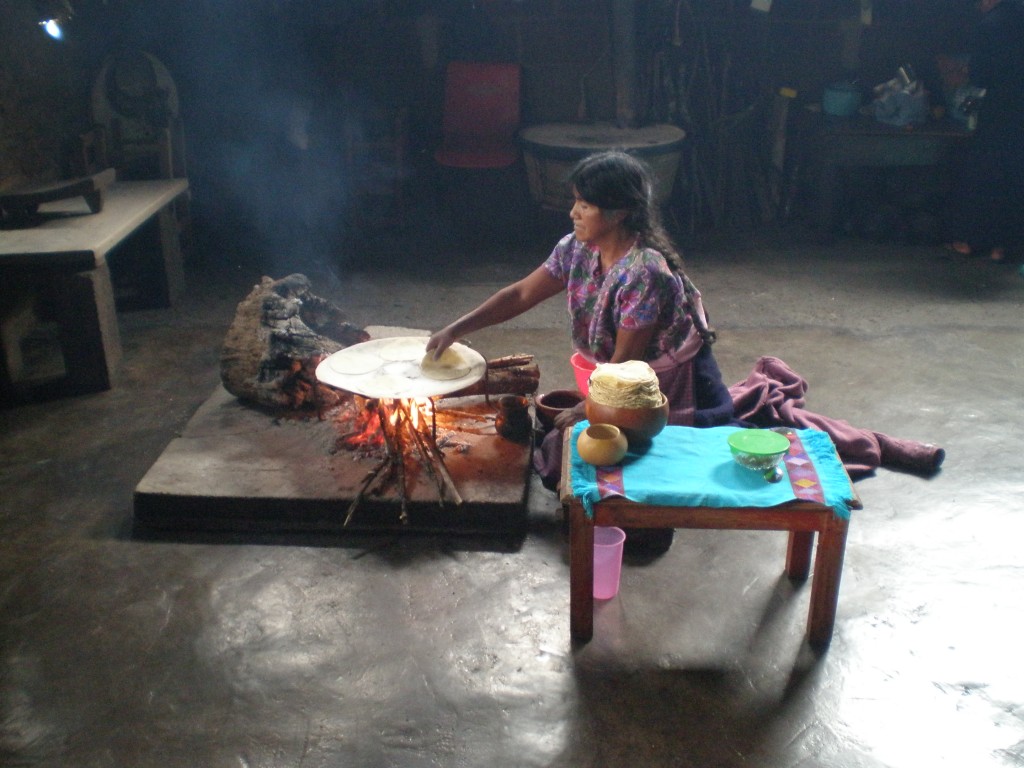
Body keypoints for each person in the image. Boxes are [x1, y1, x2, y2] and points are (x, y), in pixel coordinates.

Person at [426, 150, 735, 553]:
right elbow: (520, 294)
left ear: (620, 211)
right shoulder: (577, 248)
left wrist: (588, 407)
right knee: (569, 442)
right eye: (575, 201)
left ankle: (636, 522)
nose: (573, 212)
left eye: (585, 204)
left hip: (658, 378)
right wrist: (457, 329)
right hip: (617, 370)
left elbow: (627, 365)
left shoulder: (644, 272)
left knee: (612, 457)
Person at [944, 0, 1024, 264]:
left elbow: (979, 75)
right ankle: (1002, 247)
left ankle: (969, 241)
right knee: (1015, 174)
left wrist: (961, 73)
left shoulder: (988, 26)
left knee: (984, 173)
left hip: (998, 110)